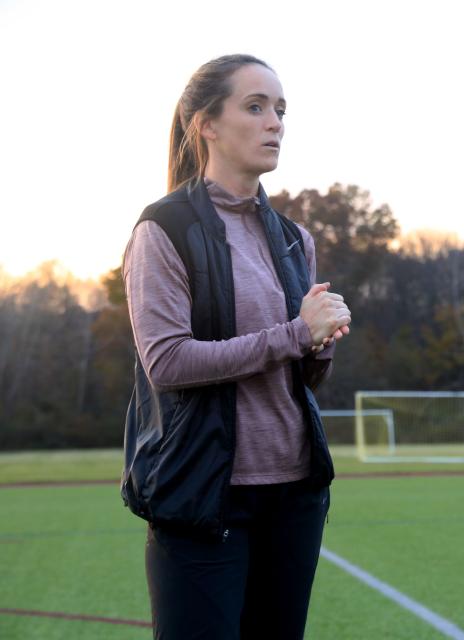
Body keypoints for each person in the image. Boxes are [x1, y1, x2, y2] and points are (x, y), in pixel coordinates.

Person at [121, 54, 351, 639]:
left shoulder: (294, 239)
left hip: (295, 496)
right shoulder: (164, 229)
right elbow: (168, 362)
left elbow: (298, 375)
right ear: (207, 125)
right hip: (204, 497)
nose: (275, 121)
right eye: (255, 106)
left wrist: (320, 343)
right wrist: (296, 334)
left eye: (280, 109)